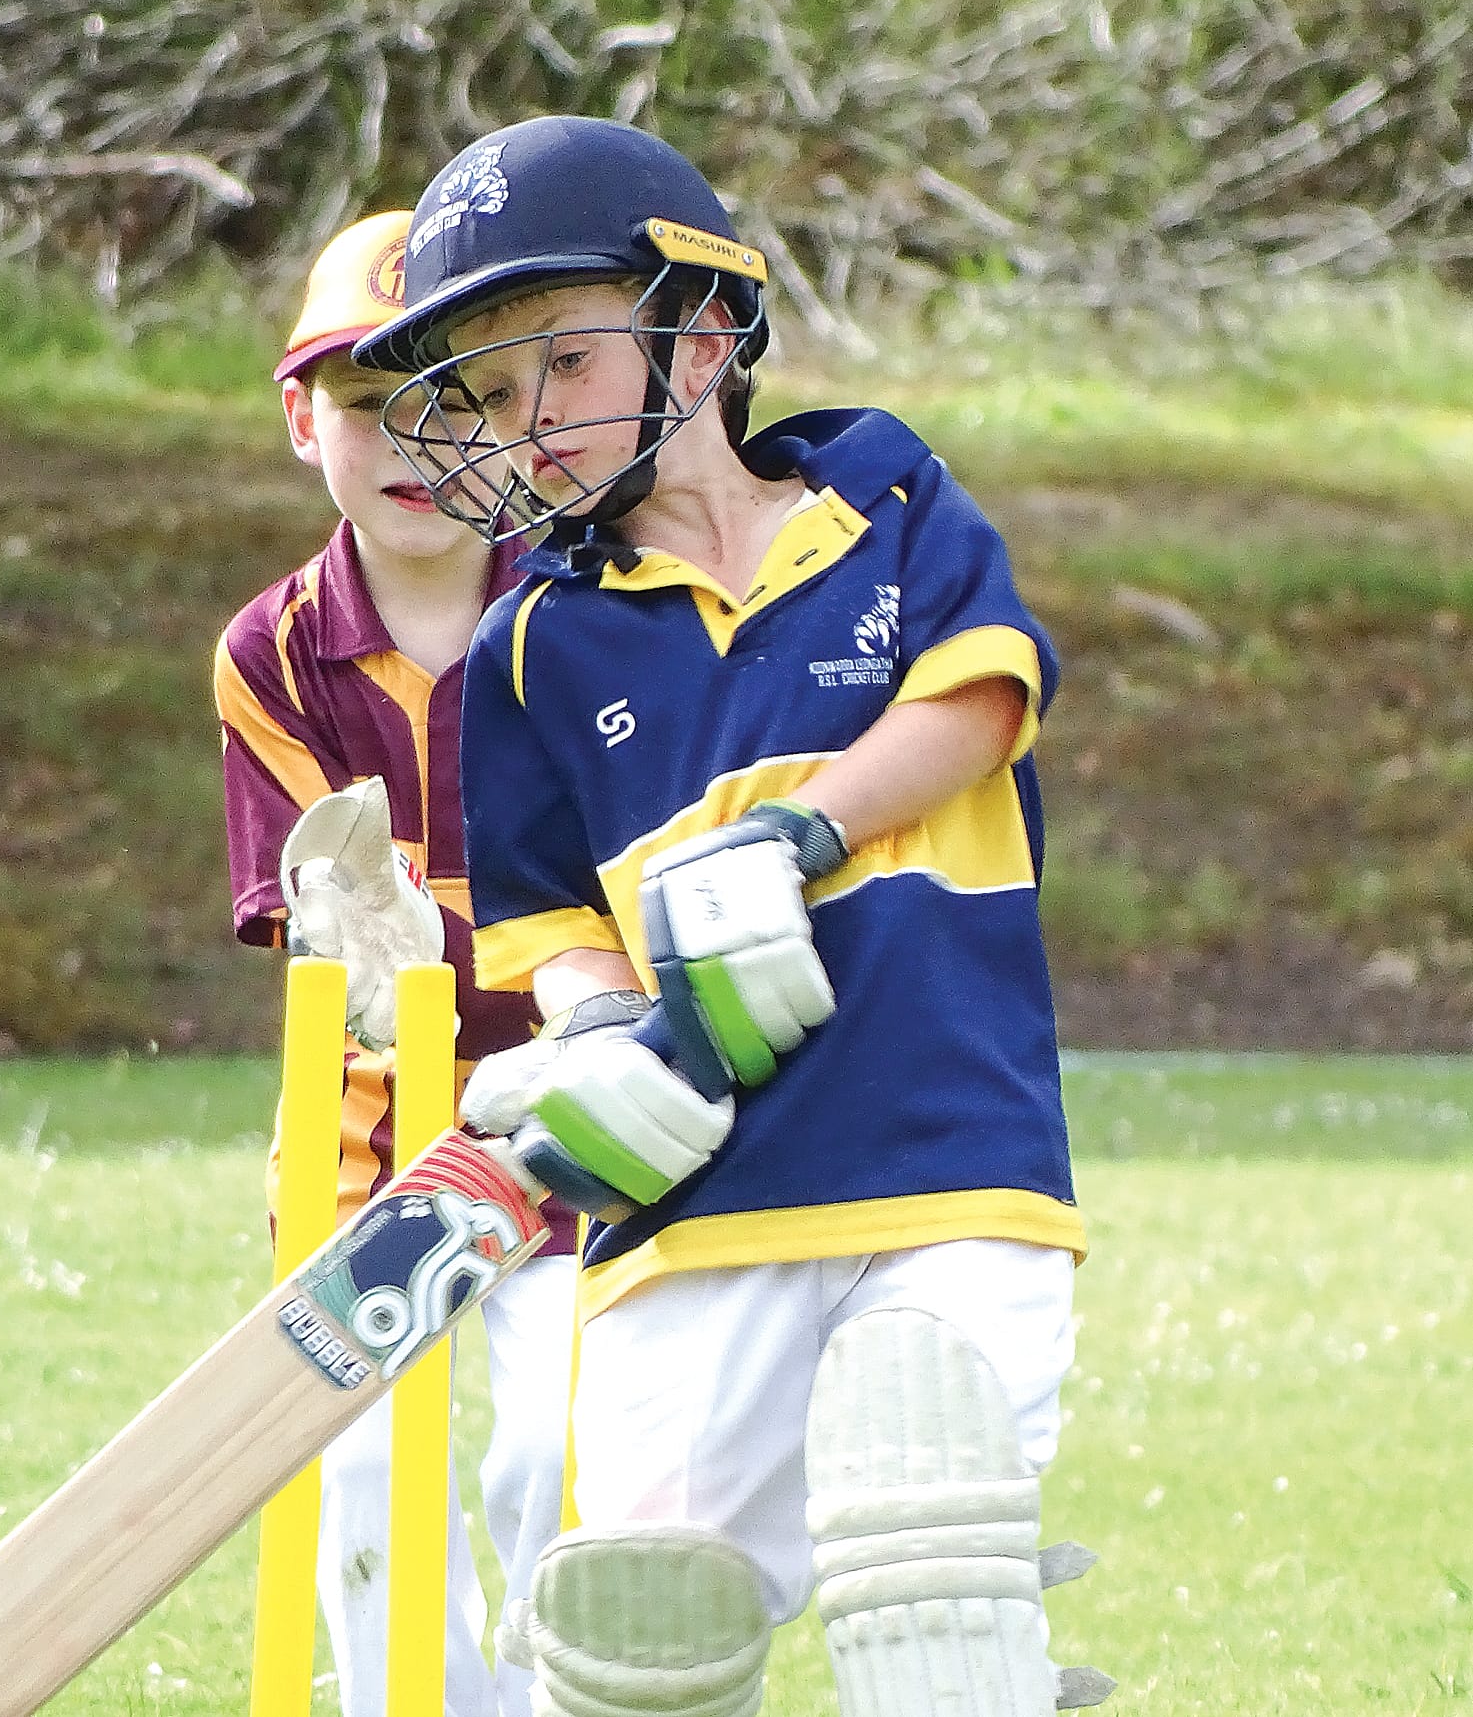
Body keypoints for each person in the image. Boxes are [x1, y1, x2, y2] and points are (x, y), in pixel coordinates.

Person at [353, 118, 1106, 1717]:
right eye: (484, 394)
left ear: (697, 335)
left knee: (937, 1559)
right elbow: (546, 921)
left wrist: (794, 829)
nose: (522, 424)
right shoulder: (528, 651)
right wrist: (602, 1024)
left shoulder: (884, 495)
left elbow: (980, 703)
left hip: (946, 1155)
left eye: (553, 363)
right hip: (698, 1217)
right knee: (648, 1638)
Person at [213, 210, 578, 1717]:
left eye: (455, 397)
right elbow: (329, 939)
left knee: (566, 1445)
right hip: (378, 1154)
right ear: (304, 420)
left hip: (581, 1124)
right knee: (364, 1473)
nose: (410, 439)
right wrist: (367, 922)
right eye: (367, 405)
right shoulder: (274, 648)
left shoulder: (583, 608)